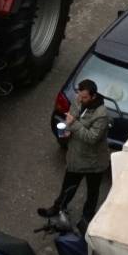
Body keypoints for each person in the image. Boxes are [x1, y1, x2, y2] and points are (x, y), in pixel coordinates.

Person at [41, 79, 113, 227]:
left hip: (94, 162)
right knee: (68, 186)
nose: (80, 99)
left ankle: (86, 219)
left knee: (92, 192)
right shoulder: (78, 100)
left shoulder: (101, 114)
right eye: (79, 95)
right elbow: (70, 118)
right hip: (76, 156)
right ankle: (58, 208)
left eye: (84, 97)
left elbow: (92, 137)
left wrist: (73, 124)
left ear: (93, 96)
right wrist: (66, 130)